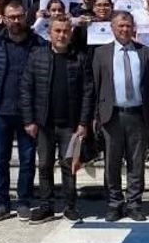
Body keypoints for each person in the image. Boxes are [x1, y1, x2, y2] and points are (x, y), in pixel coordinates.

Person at [20, 15, 94, 223]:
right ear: (49, 33)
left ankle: (70, 206)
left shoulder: (80, 58)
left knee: (69, 165)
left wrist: (83, 122)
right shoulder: (37, 56)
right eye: (57, 31)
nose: (62, 35)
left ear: (71, 33)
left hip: (70, 124)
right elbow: (26, 89)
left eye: (65, 31)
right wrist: (29, 120)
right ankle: (46, 206)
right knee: (44, 165)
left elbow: (88, 92)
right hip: (44, 123)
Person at [92, 12, 149, 222]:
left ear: (134, 28)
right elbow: (95, 86)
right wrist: (95, 115)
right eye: (120, 26)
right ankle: (114, 203)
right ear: (112, 28)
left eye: (128, 26)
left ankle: (134, 204)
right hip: (111, 115)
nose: (124, 29)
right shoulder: (101, 53)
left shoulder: (146, 52)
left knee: (136, 163)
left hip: (138, 115)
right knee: (112, 163)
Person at [0, 0, 41, 222]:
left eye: (19, 16)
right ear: (4, 19)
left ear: (25, 17)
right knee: (0, 160)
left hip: (28, 113)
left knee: (27, 159)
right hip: (0, 111)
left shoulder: (37, 43)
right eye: (11, 17)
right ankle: (1, 203)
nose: (16, 21)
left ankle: (24, 202)